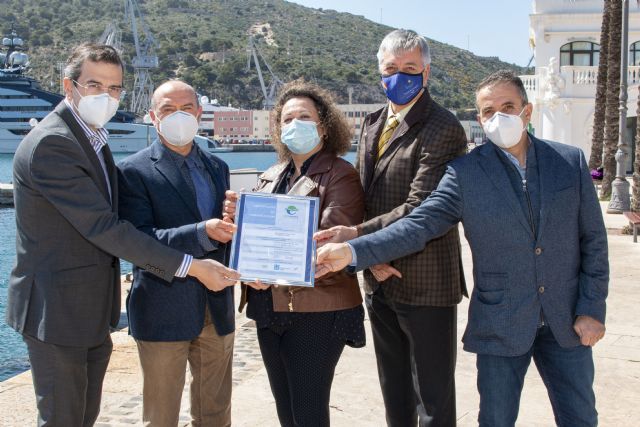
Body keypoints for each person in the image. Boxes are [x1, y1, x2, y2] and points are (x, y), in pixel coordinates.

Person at [315, 70, 609, 427]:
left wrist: (592, 308)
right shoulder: (464, 173)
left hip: (568, 322)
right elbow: (419, 225)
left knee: (581, 418)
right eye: (488, 111)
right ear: (480, 119)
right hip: (500, 323)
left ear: (527, 111)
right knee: (495, 421)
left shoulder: (569, 162)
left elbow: (594, 241)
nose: (498, 117)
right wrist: (353, 251)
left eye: (507, 107)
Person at [5, 44, 239, 427]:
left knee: (82, 415)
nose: (106, 96)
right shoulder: (54, 143)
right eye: (95, 85)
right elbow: (104, 227)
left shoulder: (92, 140)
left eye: (114, 88)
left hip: (89, 310)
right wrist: (193, 266)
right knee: (64, 418)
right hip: (58, 309)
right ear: (69, 86)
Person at [315, 29, 467, 426]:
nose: (400, 76)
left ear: (426, 72)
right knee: (394, 394)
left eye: (410, 68)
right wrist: (371, 258)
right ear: (380, 73)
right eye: (391, 68)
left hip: (425, 282)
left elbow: (422, 207)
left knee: (433, 401)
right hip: (379, 280)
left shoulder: (444, 127)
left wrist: (363, 244)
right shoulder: (372, 122)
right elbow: (362, 197)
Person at [228, 81, 365, 426]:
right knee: (286, 409)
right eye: (287, 119)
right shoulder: (271, 175)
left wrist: (268, 256)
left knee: (308, 410)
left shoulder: (341, 174)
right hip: (268, 305)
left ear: (324, 126)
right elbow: (252, 236)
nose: (294, 124)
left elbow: (330, 238)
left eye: (304, 117)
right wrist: (237, 221)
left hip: (317, 309)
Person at [117, 80, 236, 426]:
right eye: (168, 109)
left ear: (199, 113)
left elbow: (225, 232)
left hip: (216, 309)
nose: (178, 116)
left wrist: (236, 224)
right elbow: (137, 241)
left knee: (216, 414)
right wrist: (201, 232)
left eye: (186, 108)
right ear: (153, 117)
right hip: (162, 309)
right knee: (161, 417)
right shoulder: (132, 171)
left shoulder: (217, 167)